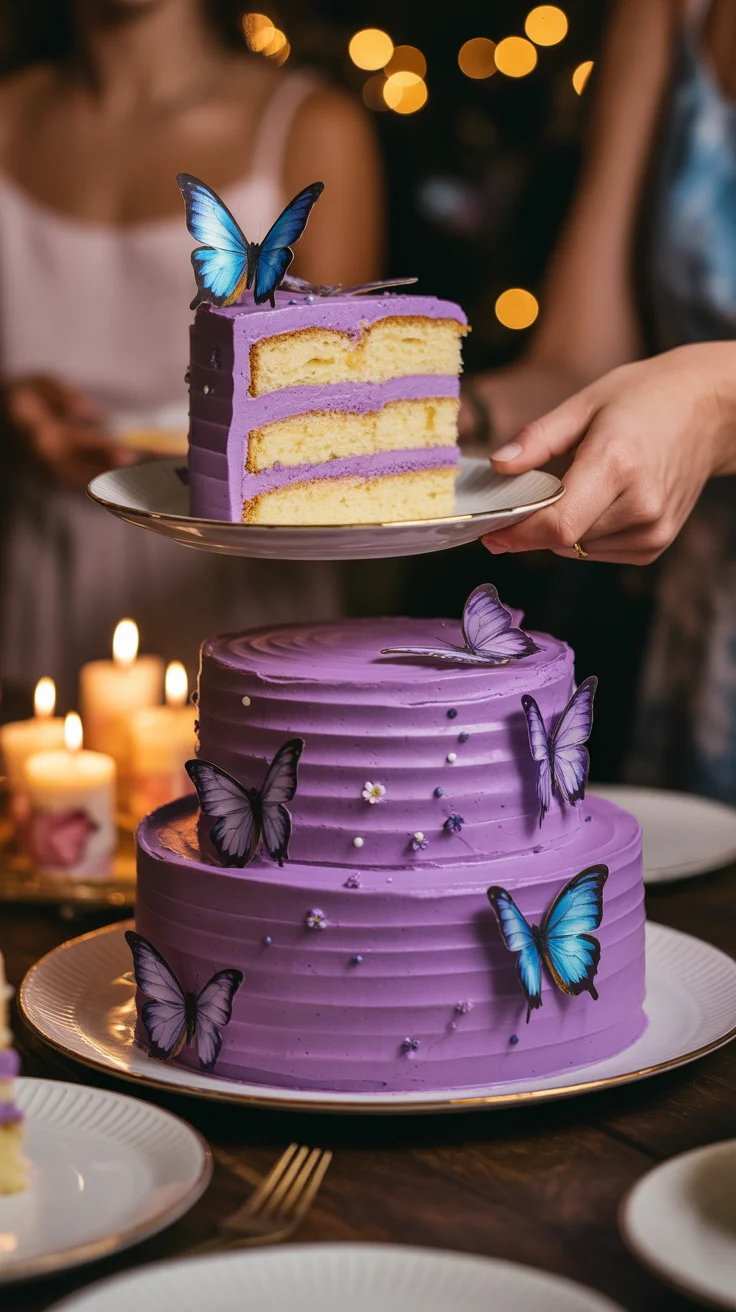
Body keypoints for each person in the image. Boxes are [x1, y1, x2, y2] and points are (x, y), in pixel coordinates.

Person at [0, 0, 383, 705]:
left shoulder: (309, 128)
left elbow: (338, 412)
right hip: (39, 579)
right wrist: (12, 411)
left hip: (241, 591)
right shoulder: (8, 116)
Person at [462, 0, 736, 801]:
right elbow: (580, 367)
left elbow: (690, 400)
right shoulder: (665, 14)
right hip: (703, 653)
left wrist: (714, 404)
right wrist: (432, 420)